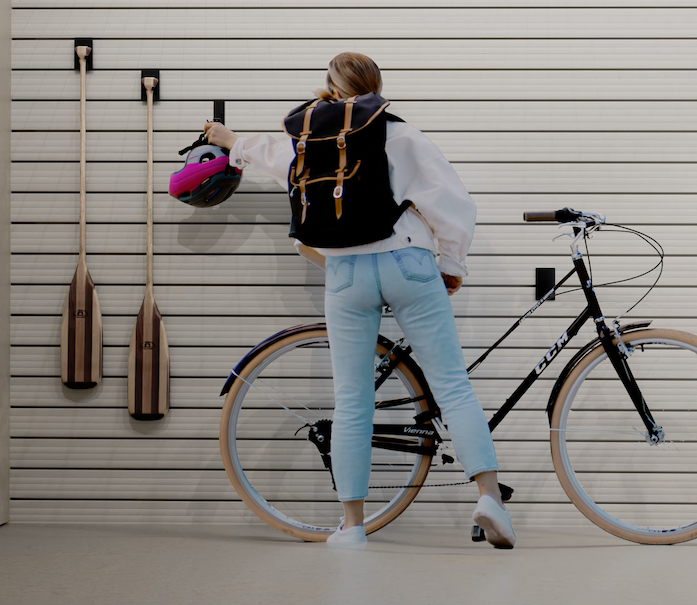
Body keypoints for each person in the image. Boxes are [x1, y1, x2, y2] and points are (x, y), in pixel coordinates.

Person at [203, 52, 515, 548]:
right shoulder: (398, 132)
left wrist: (229, 141)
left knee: (352, 400)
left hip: (345, 272)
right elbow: (452, 202)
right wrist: (452, 265)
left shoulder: (309, 138)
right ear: (375, 88)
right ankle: (489, 499)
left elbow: (268, 154)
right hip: (408, 263)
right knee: (452, 386)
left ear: (329, 87)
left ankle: (352, 527)